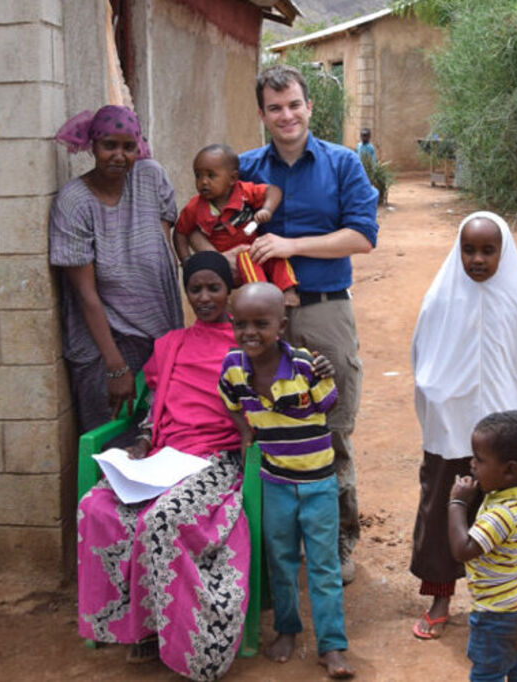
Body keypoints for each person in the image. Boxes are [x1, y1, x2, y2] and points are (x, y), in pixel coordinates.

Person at [237, 64, 380, 584]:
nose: (286, 115)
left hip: (323, 309)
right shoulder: (246, 168)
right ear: (262, 114)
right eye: (275, 108)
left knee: (331, 425)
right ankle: (265, 546)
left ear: (309, 107)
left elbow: (364, 236)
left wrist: (292, 245)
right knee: (260, 424)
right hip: (260, 322)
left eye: (294, 104)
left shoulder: (342, 164)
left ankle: (338, 539)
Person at [76, 253, 247, 681]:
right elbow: (156, 403)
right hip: (164, 457)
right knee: (95, 507)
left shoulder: (244, 344)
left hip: (215, 459)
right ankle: (140, 627)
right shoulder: (171, 344)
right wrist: (143, 439)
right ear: (185, 293)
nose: (205, 297)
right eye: (195, 289)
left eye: (214, 288)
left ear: (229, 291)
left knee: (162, 521)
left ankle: (192, 644)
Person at [409, 212, 517, 640]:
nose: (478, 259)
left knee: (502, 518)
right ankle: (441, 597)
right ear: (458, 251)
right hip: (451, 432)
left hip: (500, 439)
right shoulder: (442, 299)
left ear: (504, 252)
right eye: (469, 250)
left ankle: (508, 602)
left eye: (488, 250)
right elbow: (422, 359)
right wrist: (442, 396)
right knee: (442, 511)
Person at [218, 283, 355, 679]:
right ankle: (287, 629)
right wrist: (246, 432)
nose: (250, 332)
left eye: (261, 323)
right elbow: (228, 401)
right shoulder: (233, 367)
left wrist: (324, 370)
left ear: (281, 324)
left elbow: (330, 405)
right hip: (274, 483)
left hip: (318, 485)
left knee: (324, 565)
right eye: (241, 323)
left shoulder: (306, 366)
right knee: (281, 560)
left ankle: (332, 645)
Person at [50, 105, 182, 433]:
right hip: (106, 343)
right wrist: (114, 366)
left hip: (159, 335)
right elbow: (85, 293)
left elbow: (163, 250)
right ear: (92, 145)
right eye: (109, 145)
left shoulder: (150, 177)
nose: (119, 155)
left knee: (157, 434)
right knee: (110, 439)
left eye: (128, 147)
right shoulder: (74, 202)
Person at [448, 410, 517, 682]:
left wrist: (457, 503)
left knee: (486, 675)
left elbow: (463, 550)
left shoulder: (501, 515)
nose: (472, 464)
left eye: (480, 460)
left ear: (510, 470)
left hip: (498, 613)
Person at [173, 144, 300, 306]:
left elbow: (273, 191)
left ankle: (288, 290)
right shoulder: (195, 207)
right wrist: (187, 261)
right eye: (198, 176)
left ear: (232, 178)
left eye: (211, 176)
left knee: (274, 253)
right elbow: (180, 232)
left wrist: (267, 209)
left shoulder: (244, 192)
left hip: (254, 248)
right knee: (247, 260)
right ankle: (262, 298)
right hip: (232, 262)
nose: (203, 182)